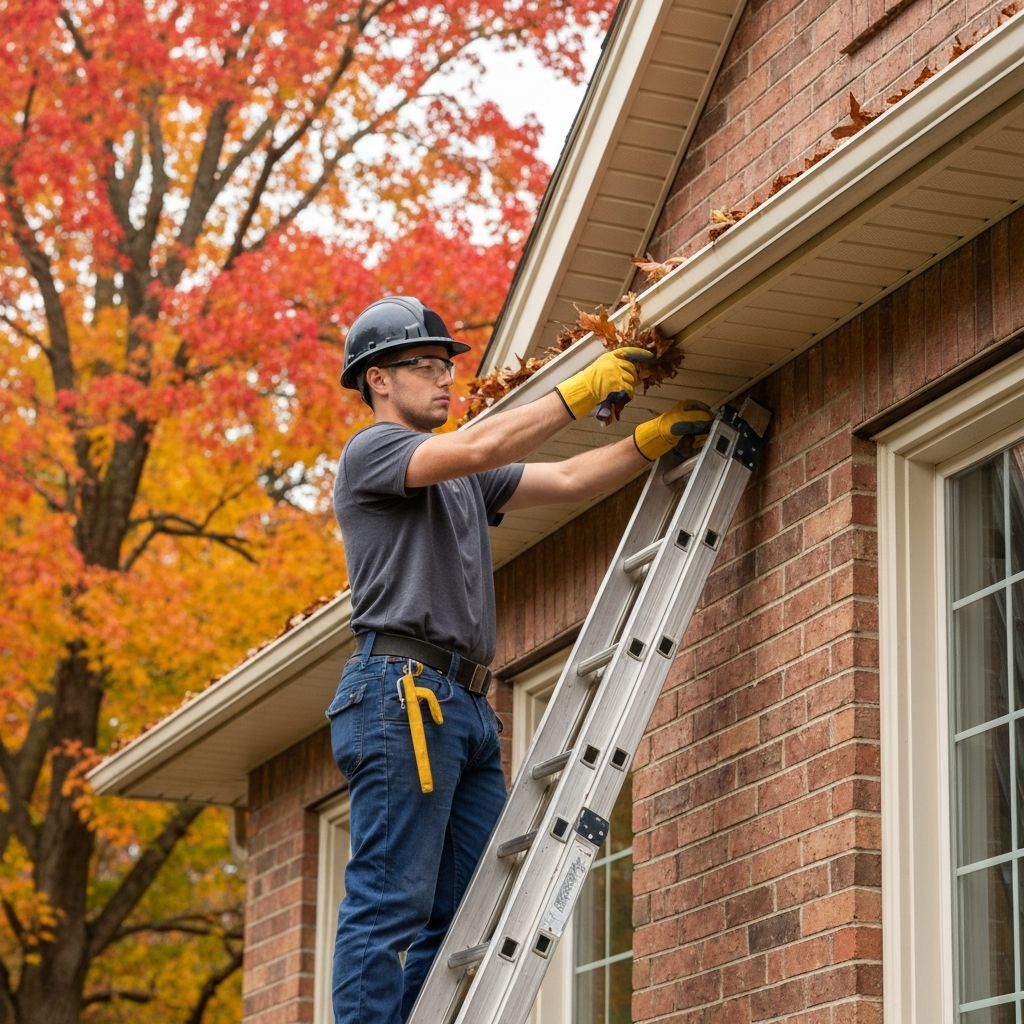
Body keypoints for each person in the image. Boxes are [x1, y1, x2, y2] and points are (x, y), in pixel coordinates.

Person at [327, 295, 710, 1024]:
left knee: (473, 908)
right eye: (426, 366)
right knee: (392, 902)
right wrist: (579, 391)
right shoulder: (372, 451)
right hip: (400, 694)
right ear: (378, 379)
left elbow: (562, 481)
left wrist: (648, 443)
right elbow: (479, 446)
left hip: (466, 705)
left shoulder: (465, 478)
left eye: (448, 368)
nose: (446, 380)